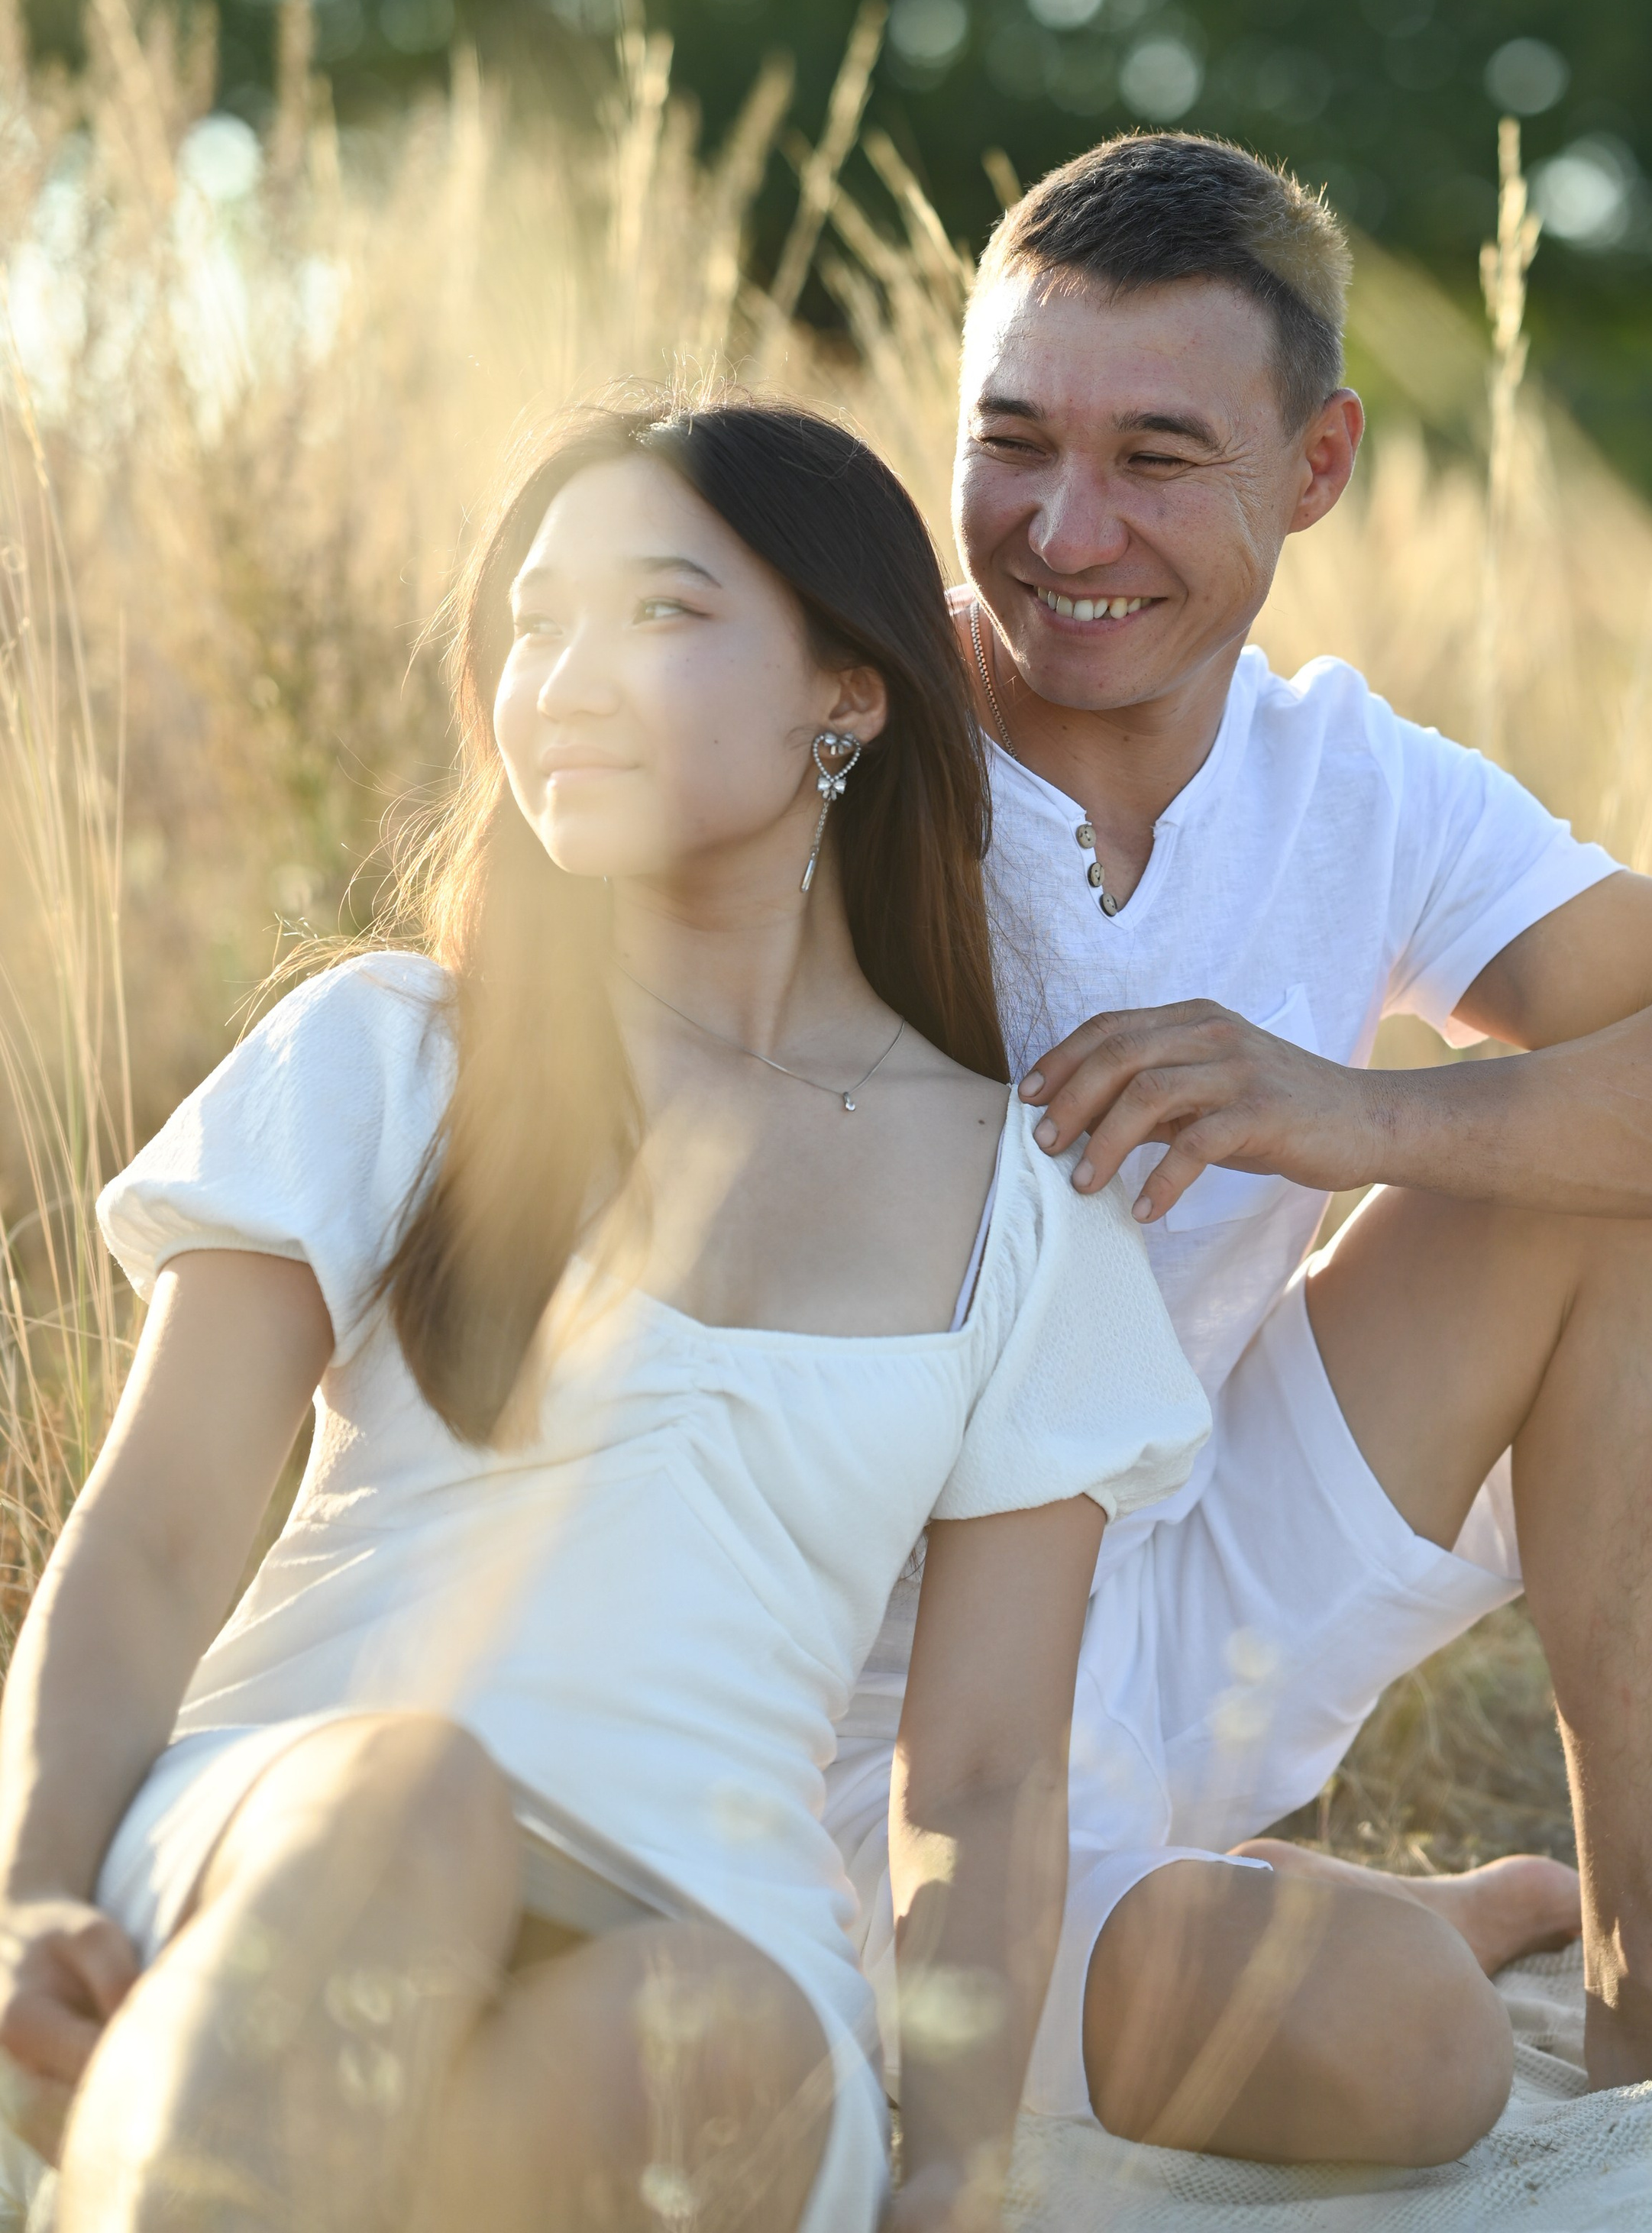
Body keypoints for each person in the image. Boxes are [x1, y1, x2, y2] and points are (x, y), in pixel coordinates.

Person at [825, 129, 1652, 2170]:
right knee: (1405, 2051)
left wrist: (1355, 1108)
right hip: (881, 1729)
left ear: (1316, 470)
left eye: (1161, 458)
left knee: (1637, 1166)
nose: (1065, 528)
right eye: (1013, 442)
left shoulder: (1346, 777)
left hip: (1181, 1590)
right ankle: (1340, 1927)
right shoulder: (840, 741)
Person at [0, 392, 1214, 2233]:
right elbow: (157, 1535)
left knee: (727, 2035)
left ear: (849, 690)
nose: (558, 677)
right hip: (286, 1840)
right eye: (531, 621)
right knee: (413, 1800)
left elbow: (971, 1775)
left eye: (654, 612)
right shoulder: (393, 1051)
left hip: (707, 1921)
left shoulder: (1025, 1207)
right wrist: (26, 1891)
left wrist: (962, 2162)